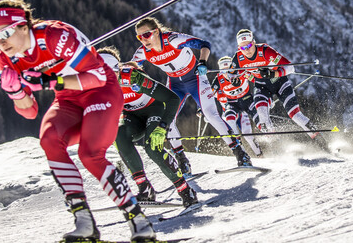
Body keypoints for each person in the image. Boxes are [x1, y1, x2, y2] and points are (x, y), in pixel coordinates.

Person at [0, 0, 155, 242]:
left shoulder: (55, 36)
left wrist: (48, 81)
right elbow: (30, 111)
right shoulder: (7, 60)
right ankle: (84, 222)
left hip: (100, 92)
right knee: (49, 139)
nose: (1, 42)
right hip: (68, 100)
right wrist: (15, 92)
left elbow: (98, 76)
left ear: (23, 26)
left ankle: (138, 221)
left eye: (4, 32)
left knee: (90, 154)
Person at [131, 17, 251, 169]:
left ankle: (240, 153)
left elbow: (204, 44)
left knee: (210, 114)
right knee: (167, 120)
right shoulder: (143, 52)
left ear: (156, 32)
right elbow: (132, 69)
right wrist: (135, 81)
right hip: (175, 84)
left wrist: (202, 62)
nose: (143, 40)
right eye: (139, 37)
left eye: (146, 35)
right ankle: (182, 160)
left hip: (195, 79)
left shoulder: (173, 40)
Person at [98, 46, 198, 207]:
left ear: (117, 69)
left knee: (153, 148)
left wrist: (163, 127)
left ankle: (186, 191)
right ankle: (145, 189)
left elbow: (171, 99)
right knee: (118, 136)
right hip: (132, 116)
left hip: (154, 110)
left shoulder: (132, 77)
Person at [229, 29, 328, 150]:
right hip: (262, 86)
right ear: (239, 48)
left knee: (295, 115)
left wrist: (274, 74)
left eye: (249, 45)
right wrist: (235, 80)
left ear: (254, 42)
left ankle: (322, 143)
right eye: (243, 48)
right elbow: (233, 74)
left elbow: (290, 67)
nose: (247, 50)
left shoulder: (265, 51)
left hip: (280, 83)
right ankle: (278, 150)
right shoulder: (237, 58)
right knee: (263, 119)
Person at [211, 56, 263, 157]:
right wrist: (203, 110)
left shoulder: (240, 72)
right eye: (223, 70)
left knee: (248, 135)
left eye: (228, 69)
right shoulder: (219, 81)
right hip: (231, 109)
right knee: (230, 122)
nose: (227, 73)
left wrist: (265, 96)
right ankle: (243, 154)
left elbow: (256, 79)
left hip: (245, 106)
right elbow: (209, 95)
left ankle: (260, 154)